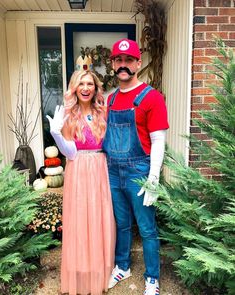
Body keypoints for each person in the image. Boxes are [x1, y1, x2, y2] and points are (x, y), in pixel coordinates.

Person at [102, 38, 169, 295]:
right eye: (118, 60)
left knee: (147, 228)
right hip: (113, 171)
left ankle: (152, 278)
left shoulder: (152, 98)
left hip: (139, 171)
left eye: (128, 60)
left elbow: (158, 140)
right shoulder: (110, 100)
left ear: (138, 63)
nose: (123, 65)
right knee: (121, 224)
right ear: (113, 64)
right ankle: (123, 266)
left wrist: (154, 178)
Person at [46, 69, 115, 295]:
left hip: (100, 169)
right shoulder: (68, 114)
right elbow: (70, 152)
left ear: (96, 88)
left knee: (98, 218)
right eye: (81, 84)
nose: (86, 88)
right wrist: (56, 133)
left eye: (90, 84)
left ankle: (99, 271)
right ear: (74, 87)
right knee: (80, 220)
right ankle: (80, 273)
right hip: (78, 170)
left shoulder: (103, 111)